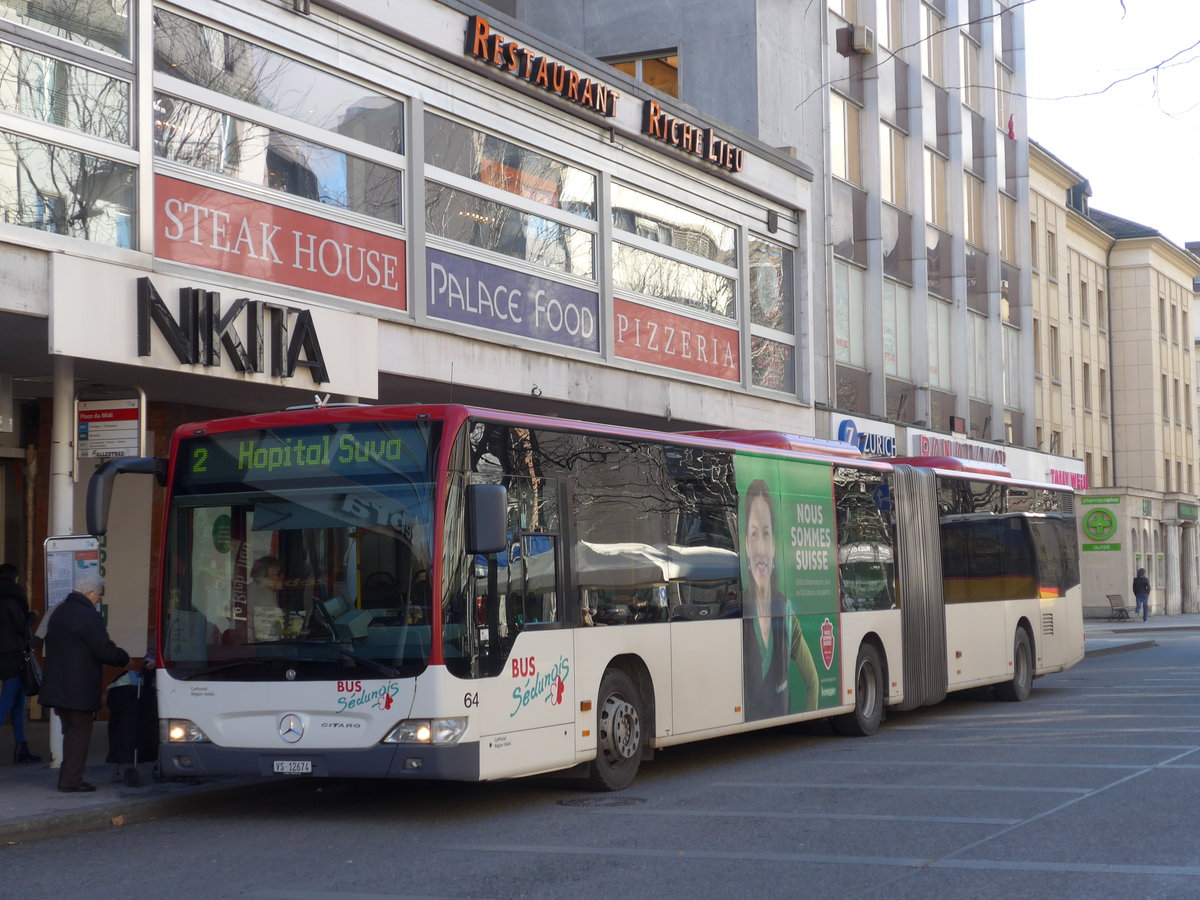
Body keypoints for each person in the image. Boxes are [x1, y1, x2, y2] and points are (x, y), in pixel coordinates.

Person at [39, 572, 130, 793]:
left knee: (70, 733)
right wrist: (123, 658)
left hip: (58, 685)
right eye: (98, 594)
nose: (99, 599)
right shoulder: (88, 615)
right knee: (79, 735)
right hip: (78, 687)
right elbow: (103, 649)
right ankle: (71, 780)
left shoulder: (60, 611)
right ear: (89, 593)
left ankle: (68, 775)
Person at [740, 479, 819, 720]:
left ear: (774, 545)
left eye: (766, 534)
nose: (761, 548)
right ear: (745, 545)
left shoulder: (786, 614)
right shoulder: (735, 613)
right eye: (754, 534)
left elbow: (814, 683)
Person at [0, 562, 41, 763]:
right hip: (13, 656)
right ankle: (21, 750)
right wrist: (33, 615)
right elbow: (21, 627)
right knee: (7, 703)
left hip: (3, 656)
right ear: (14, 578)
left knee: (17, 704)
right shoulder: (12, 599)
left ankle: (21, 748)